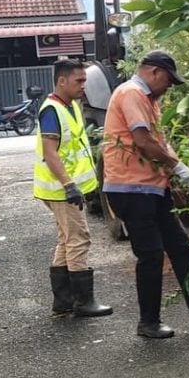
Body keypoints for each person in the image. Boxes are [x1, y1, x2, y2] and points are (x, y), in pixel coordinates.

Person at [102, 50, 189, 339]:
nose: (169, 86)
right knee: (151, 254)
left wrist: (182, 172)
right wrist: (179, 168)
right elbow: (142, 142)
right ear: (154, 72)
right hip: (131, 189)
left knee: (180, 247)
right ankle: (148, 322)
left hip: (152, 187)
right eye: (168, 79)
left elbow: (159, 143)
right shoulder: (131, 93)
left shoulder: (149, 100)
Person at [36, 58, 112, 318]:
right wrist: (70, 185)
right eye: (79, 81)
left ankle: (63, 302)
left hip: (62, 189)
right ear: (62, 81)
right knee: (79, 240)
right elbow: (50, 153)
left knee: (66, 240)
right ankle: (83, 302)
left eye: (84, 81)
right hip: (61, 190)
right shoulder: (52, 110)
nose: (83, 86)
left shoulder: (70, 106)